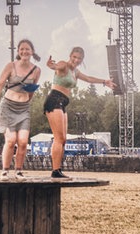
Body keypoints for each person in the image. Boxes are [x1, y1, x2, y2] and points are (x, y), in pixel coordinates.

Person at [44, 47, 116, 179]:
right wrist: (51, 65)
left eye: (79, 59)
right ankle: (55, 171)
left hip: (63, 102)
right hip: (54, 100)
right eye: (74, 57)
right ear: (70, 56)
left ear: (82, 60)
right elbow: (56, 66)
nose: (76, 60)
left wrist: (104, 82)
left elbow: (88, 78)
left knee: (63, 140)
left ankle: (58, 169)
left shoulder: (75, 72)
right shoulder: (64, 65)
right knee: (59, 138)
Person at [0, 39, 41, 181]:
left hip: (24, 108)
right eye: (21, 49)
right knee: (11, 140)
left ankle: (19, 171)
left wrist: (27, 101)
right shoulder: (11, 66)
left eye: (27, 49)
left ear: (32, 51)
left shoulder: (36, 70)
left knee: (22, 141)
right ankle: (4, 171)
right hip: (8, 106)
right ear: (18, 51)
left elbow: (32, 91)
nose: (24, 51)